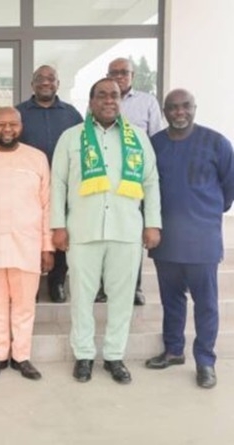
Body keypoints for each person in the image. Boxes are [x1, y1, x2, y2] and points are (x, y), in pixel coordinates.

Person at [50, 78, 161, 384]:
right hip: (82, 231)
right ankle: (84, 354)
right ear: (91, 101)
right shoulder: (71, 138)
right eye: (102, 95)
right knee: (82, 297)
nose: (109, 100)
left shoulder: (138, 137)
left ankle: (114, 356)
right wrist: (57, 225)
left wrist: (153, 222)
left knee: (122, 298)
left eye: (114, 95)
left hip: (126, 231)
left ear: (121, 100)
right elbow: (57, 184)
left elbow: (151, 183)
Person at [145, 89, 234, 389]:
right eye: (172, 107)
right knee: (171, 301)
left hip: (202, 241)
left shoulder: (217, 143)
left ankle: (206, 362)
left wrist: (204, 211)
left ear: (194, 108)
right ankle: (173, 350)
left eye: (185, 107)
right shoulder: (154, 144)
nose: (179, 112)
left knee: (206, 304)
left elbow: (228, 190)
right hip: (165, 240)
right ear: (165, 110)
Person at [0, 107, 53, 380]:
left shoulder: (37, 158)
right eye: (1, 124)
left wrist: (47, 246)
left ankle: (22, 356)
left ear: (21, 126)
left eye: (13, 124)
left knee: (24, 305)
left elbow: (47, 204)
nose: (7, 129)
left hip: (26, 244)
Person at [16, 65, 83, 303]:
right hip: (28, 187)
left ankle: (57, 282)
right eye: (40, 79)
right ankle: (31, 282)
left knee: (60, 232)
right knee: (32, 233)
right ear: (32, 84)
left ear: (58, 84)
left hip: (64, 185)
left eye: (51, 79)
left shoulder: (72, 114)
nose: (46, 83)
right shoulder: (19, 112)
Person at [104, 57, 164, 306]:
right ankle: (102, 287)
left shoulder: (147, 102)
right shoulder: (100, 102)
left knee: (131, 237)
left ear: (133, 75)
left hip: (133, 180)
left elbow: (157, 139)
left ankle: (134, 287)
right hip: (105, 179)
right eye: (114, 72)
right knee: (105, 235)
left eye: (124, 72)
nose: (119, 76)